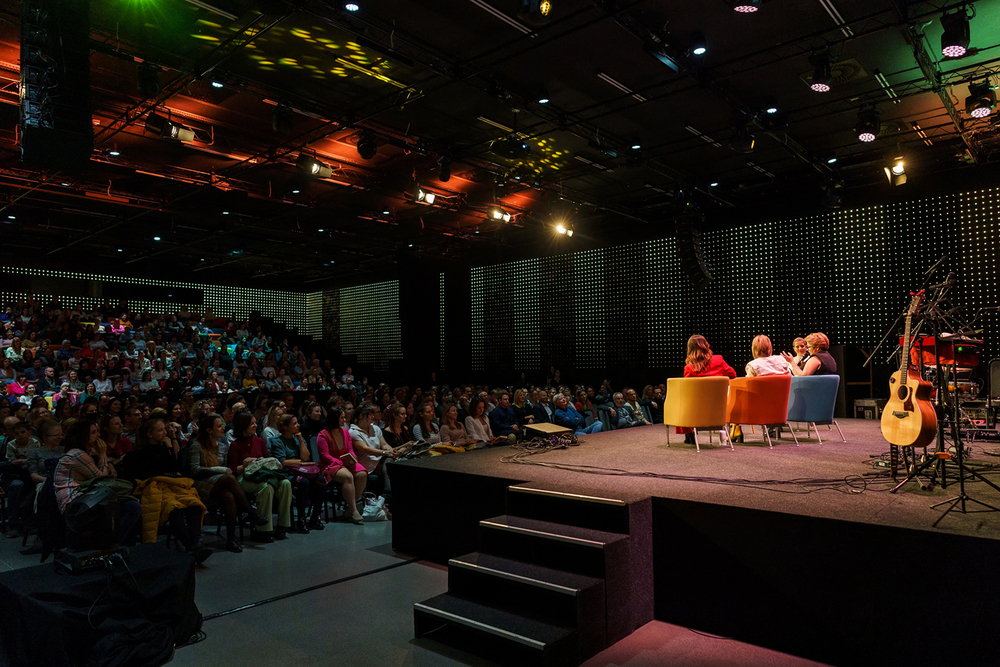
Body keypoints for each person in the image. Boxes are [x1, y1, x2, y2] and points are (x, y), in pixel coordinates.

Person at [120, 418, 210, 562]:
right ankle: (191, 546)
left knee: (193, 503)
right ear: (150, 434)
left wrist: (169, 448)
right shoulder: (135, 454)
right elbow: (142, 476)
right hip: (152, 489)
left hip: (169, 486)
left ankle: (196, 542)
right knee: (172, 508)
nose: (164, 433)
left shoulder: (164, 450)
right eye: (160, 430)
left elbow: (174, 470)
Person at [186, 413, 267, 554]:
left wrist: (222, 472)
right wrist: (216, 471)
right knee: (229, 478)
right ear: (208, 430)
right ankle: (251, 512)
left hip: (219, 483)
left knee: (229, 496)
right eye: (219, 426)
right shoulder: (196, 445)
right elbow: (195, 470)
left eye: (222, 425)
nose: (223, 428)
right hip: (201, 483)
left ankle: (231, 539)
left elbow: (227, 469)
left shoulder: (223, 447)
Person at [54, 419, 142, 547]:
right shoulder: (77, 454)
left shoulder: (84, 453)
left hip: (85, 497)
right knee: (132, 507)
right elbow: (102, 479)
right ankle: (112, 544)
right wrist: (102, 454)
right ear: (84, 436)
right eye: (94, 433)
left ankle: (119, 544)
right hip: (75, 503)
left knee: (131, 504)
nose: (98, 436)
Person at [227, 411, 293, 542]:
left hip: (262, 473)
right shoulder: (235, 445)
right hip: (244, 476)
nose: (255, 425)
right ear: (243, 426)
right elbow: (232, 470)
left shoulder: (260, 441)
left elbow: (268, 461)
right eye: (252, 423)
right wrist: (245, 465)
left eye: (255, 423)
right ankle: (263, 530)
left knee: (286, 483)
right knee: (265, 488)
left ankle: (282, 525)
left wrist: (261, 460)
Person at [267, 413, 325, 532]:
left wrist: (301, 441)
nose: (298, 425)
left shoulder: (298, 438)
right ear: (285, 427)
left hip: (302, 470)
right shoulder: (276, 441)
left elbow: (306, 457)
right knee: (303, 483)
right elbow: (283, 462)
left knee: (320, 480)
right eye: (294, 423)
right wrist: (300, 462)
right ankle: (301, 518)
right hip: (287, 473)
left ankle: (315, 517)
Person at [316, 407, 366, 524]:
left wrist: (353, 458)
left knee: (362, 474)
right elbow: (324, 456)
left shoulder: (345, 432)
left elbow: (350, 449)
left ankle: (348, 508)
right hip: (329, 465)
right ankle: (353, 510)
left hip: (344, 462)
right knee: (347, 476)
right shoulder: (323, 435)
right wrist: (339, 462)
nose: (344, 420)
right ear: (334, 419)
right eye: (342, 418)